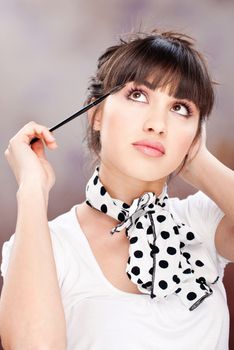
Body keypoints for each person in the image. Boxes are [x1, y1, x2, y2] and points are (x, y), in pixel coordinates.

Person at [0, 29, 233, 350]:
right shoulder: (46, 243)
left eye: (181, 108)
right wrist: (31, 189)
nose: (157, 124)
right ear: (96, 113)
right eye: (138, 95)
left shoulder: (203, 222)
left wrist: (197, 160)